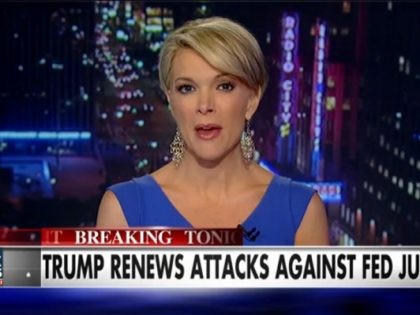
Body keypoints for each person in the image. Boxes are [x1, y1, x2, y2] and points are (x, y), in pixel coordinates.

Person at [96, 17, 329, 245]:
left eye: (224, 86)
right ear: (171, 101)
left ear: (252, 100)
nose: (205, 105)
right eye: (187, 88)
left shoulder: (299, 210)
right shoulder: (124, 209)